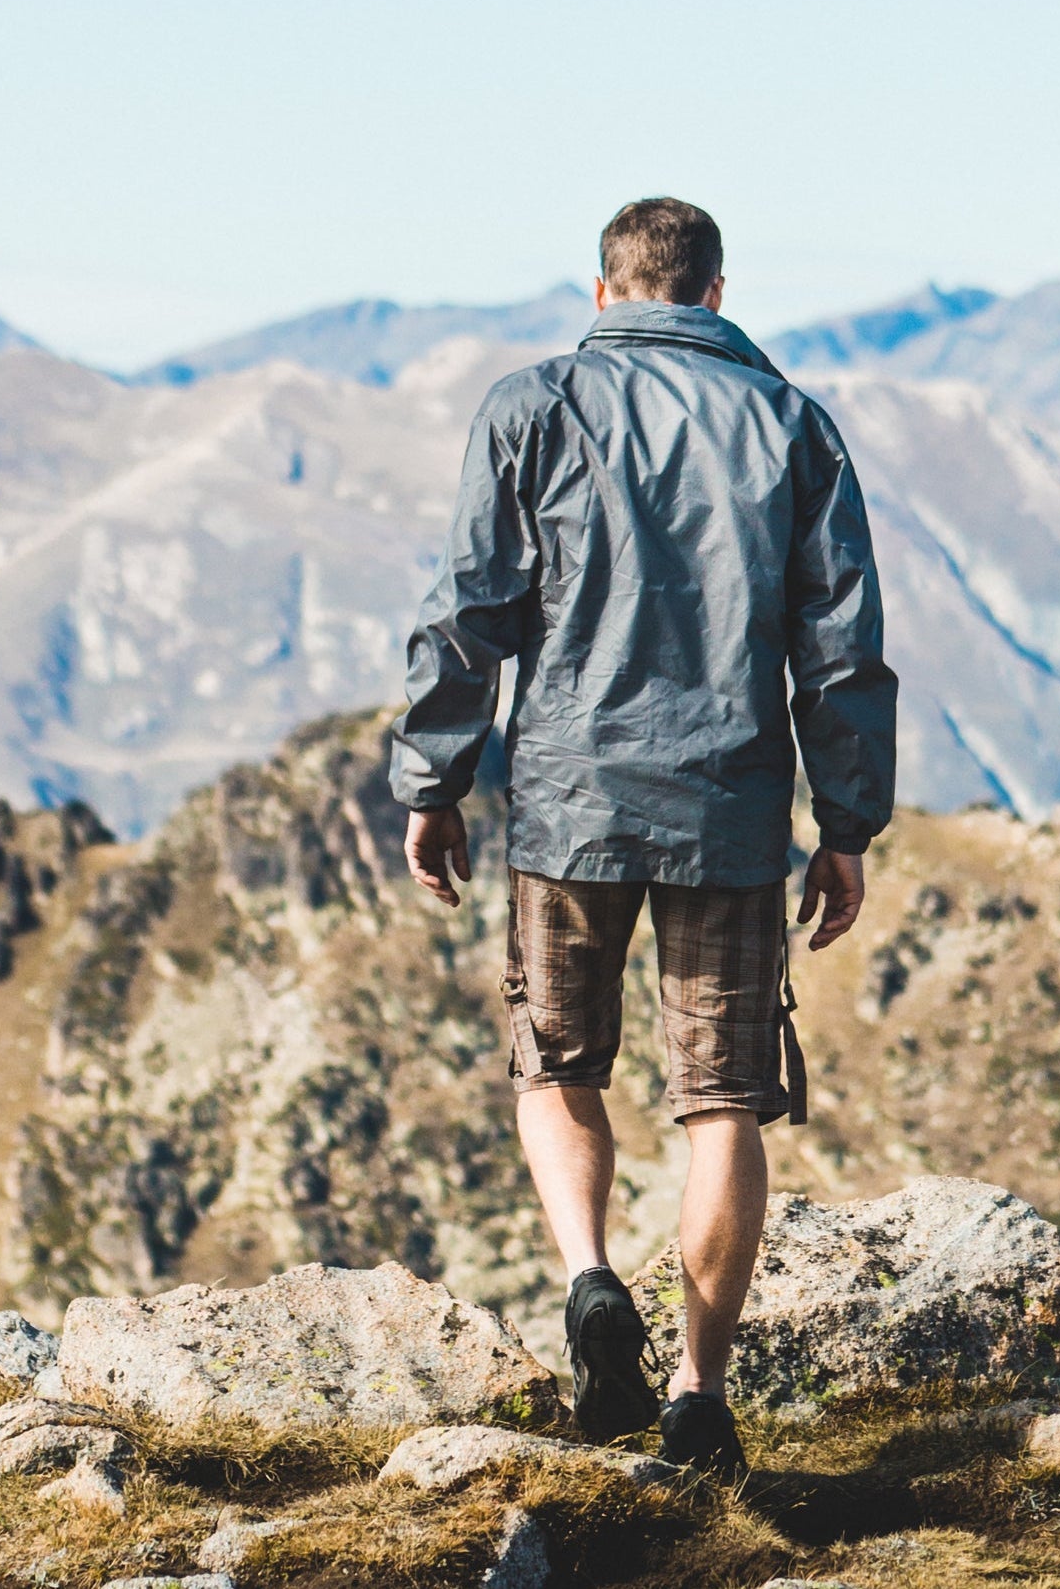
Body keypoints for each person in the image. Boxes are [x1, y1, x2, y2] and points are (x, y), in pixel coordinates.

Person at [390, 196, 899, 1479]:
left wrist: (434, 778)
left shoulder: (531, 407)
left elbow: (470, 609)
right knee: (725, 1099)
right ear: (716, 292)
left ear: (603, 290)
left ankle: (590, 1275)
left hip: (569, 802)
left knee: (557, 1060)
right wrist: (845, 824)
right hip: (730, 808)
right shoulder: (793, 424)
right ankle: (696, 1392)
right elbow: (840, 649)